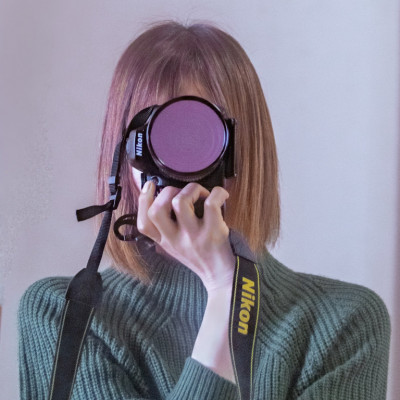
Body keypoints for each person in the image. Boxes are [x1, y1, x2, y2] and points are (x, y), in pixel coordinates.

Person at [18, 20, 391, 399]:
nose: (181, 164)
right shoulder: (65, 317)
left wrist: (230, 285)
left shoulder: (345, 323)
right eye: (160, 137)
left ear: (243, 151)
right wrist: (223, 292)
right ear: (126, 152)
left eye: (201, 136)